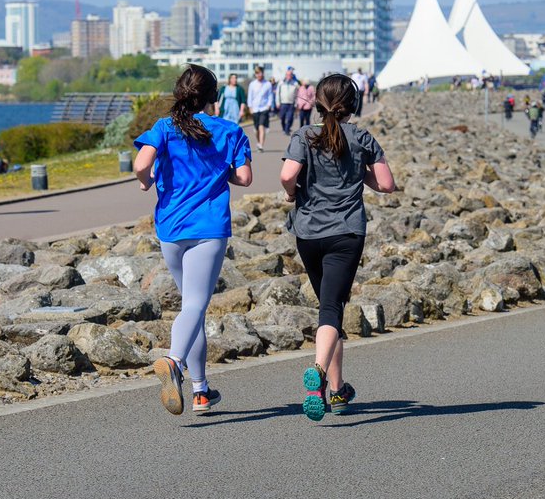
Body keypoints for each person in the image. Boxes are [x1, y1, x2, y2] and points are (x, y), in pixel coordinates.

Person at [135, 65, 253, 415]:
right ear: (213, 96)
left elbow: (142, 164)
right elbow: (245, 178)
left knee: (192, 305)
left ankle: (201, 390)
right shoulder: (230, 131)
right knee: (195, 305)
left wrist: (146, 181)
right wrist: (222, 171)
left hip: (171, 227)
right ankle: (173, 362)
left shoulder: (165, 128)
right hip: (208, 228)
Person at [280, 74, 395, 421]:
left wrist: (291, 193)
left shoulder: (304, 135)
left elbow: (287, 175)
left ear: (317, 102)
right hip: (345, 233)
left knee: (329, 310)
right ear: (353, 104)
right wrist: (363, 176)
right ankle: (316, 372)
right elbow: (387, 184)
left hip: (308, 233)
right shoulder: (361, 137)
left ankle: (338, 391)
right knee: (332, 308)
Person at [246, 66, 274, 152]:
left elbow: (270, 95)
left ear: (263, 73)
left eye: (260, 73)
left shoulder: (267, 84)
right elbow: (250, 96)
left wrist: (269, 105)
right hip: (255, 108)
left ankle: (261, 145)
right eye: (257, 73)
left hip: (264, 108)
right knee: (256, 129)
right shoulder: (252, 84)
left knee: (261, 126)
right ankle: (258, 142)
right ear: (255, 74)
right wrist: (250, 107)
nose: (259, 75)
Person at [276, 66, 299, 135]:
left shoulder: (295, 83)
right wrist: (277, 102)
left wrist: (296, 103)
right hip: (283, 103)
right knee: (282, 117)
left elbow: (297, 95)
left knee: (290, 118)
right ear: (285, 75)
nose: (289, 76)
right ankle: (284, 128)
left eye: (290, 75)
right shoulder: (281, 83)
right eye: (288, 75)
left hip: (291, 104)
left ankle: (287, 130)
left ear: (292, 76)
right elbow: (277, 93)